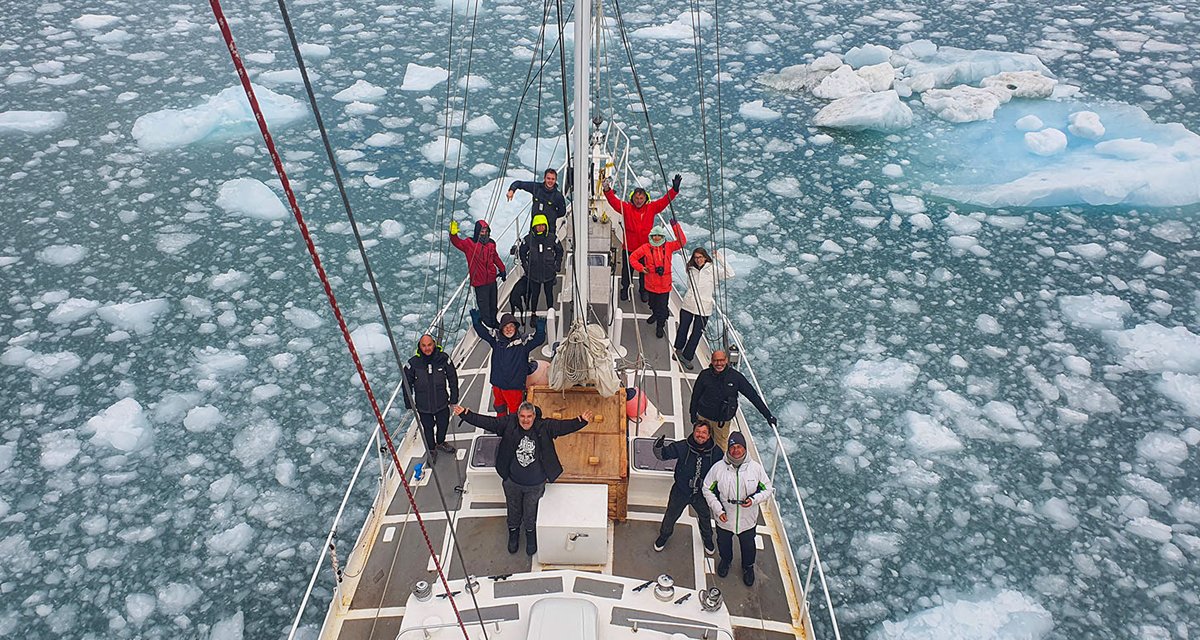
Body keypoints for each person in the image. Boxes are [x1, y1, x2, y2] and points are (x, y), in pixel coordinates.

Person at [453, 402, 595, 555]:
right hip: (512, 482)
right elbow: (489, 422)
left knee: (530, 512)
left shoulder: (544, 427)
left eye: (529, 416)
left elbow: (563, 427)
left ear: (534, 416)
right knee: (513, 510)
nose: (525, 420)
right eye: (522, 416)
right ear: (517, 416)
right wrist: (465, 414)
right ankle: (513, 533)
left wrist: (581, 420)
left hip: (535, 484)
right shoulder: (508, 424)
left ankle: (530, 534)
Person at [702, 431, 773, 586]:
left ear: (745, 448)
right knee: (723, 542)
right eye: (732, 447)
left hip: (748, 520)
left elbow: (767, 489)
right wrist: (718, 510)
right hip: (724, 518)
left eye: (739, 446)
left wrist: (753, 500)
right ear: (728, 449)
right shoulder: (718, 468)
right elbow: (707, 488)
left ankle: (748, 567)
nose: (735, 450)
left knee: (748, 546)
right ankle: (726, 561)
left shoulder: (756, 469)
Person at [602, 173, 681, 302]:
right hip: (629, 247)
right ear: (633, 198)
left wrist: (674, 190)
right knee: (627, 271)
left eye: (641, 198)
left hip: (646, 249)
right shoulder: (626, 208)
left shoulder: (652, 208)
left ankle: (644, 291)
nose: (639, 200)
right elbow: (613, 202)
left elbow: (664, 201)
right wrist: (607, 190)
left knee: (645, 271)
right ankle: (624, 288)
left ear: (645, 199)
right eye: (637, 198)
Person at [652, 422, 723, 554]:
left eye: (704, 433)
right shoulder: (683, 446)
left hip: (702, 494)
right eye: (698, 431)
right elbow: (662, 455)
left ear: (708, 436)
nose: (700, 435)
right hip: (681, 491)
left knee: (705, 517)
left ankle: (708, 539)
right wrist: (658, 445)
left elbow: (723, 473)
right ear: (693, 432)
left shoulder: (717, 452)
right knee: (671, 515)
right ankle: (663, 536)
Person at [689, 350, 776, 448]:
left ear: (726, 360)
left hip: (721, 422)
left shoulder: (736, 377)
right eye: (716, 361)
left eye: (721, 360)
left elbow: (753, 396)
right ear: (712, 361)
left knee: (719, 448)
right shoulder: (704, 375)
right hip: (703, 418)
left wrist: (768, 416)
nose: (719, 364)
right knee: (700, 443)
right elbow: (695, 396)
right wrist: (692, 415)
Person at [471, 310, 546, 416]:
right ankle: (501, 426)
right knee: (499, 407)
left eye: (511, 326)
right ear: (501, 328)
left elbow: (538, 339)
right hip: (497, 384)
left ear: (515, 327)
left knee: (514, 411)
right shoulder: (495, 340)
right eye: (505, 327)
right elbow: (483, 333)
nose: (508, 329)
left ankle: (512, 430)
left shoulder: (524, 343)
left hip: (514, 387)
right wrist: (477, 323)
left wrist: (541, 329)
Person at [404, 334, 460, 462]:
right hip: (424, 406)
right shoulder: (413, 364)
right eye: (424, 345)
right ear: (420, 346)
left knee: (443, 424)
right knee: (428, 428)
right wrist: (409, 403)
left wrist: (454, 398)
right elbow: (406, 385)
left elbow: (453, 378)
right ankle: (431, 449)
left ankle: (440, 442)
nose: (427, 348)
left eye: (429, 345)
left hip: (442, 403)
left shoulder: (444, 359)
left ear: (434, 344)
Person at [675, 248, 733, 370]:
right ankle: (678, 350)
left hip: (704, 307)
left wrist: (719, 258)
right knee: (683, 328)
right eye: (696, 257)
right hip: (689, 304)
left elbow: (730, 273)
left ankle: (687, 357)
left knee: (697, 333)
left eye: (700, 257)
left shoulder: (712, 270)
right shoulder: (691, 269)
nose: (698, 260)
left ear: (705, 257)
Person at [628, 219, 686, 338]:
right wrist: (641, 268)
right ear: (651, 236)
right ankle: (654, 314)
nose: (657, 238)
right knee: (652, 304)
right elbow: (632, 257)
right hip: (651, 284)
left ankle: (660, 325)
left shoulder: (669, 246)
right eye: (655, 236)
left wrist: (675, 226)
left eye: (659, 236)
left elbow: (682, 242)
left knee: (663, 309)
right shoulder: (646, 247)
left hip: (665, 286)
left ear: (663, 236)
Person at [449, 219, 507, 329]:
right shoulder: (470, 244)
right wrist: (453, 234)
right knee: (484, 306)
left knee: (493, 304)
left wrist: (502, 269)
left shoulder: (491, 244)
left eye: (486, 231)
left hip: (491, 279)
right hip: (480, 282)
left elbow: (495, 257)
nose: (484, 233)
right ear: (477, 232)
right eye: (482, 231)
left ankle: (494, 321)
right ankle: (488, 325)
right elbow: (457, 242)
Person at [517, 214, 563, 316]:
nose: (540, 227)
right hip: (534, 275)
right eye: (538, 225)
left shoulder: (552, 238)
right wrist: (525, 266)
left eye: (543, 225)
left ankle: (550, 312)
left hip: (549, 274)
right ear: (534, 226)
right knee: (535, 295)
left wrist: (557, 265)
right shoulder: (528, 239)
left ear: (546, 226)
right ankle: (533, 313)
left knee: (549, 294)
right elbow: (522, 252)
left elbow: (560, 251)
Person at [507, 168, 567, 237]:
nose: (550, 181)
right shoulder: (537, 188)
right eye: (548, 178)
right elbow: (518, 183)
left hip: (549, 230)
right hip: (534, 229)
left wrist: (551, 215)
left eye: (553, 179)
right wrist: (511, 190)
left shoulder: (558, 196)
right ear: (544, 178)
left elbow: (562, 212)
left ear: (555, 180)